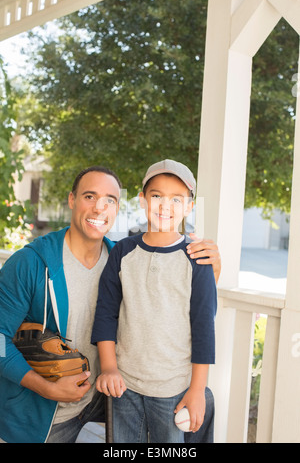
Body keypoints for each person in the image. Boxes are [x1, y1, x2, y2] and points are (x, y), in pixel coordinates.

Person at [0, 165, 220, 444]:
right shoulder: (31, 263)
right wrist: (43, 387)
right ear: (72, 200)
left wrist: (212, 271)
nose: (98, 208)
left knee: (204, 402)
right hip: (46, 414)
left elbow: (178, 303)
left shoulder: (118, 255)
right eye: (89, 197)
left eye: (110, 200)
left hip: (103, 397)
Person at [91, 159, 217, 443]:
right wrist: (109, 367)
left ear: (189, 207)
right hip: (124, 385)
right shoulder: (122, 252)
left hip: (173, 389)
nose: (165, 205)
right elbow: (106, 313)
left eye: (176, 199)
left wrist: (197, 390)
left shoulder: (197, 259)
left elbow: (203, 328)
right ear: (142, 200)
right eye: (157, 195)